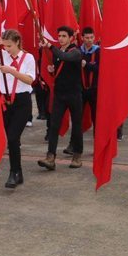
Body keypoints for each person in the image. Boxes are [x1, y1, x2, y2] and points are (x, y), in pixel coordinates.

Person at [0, 29, 36, 188]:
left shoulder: (28, 58)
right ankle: (17, 172)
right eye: (5, 45)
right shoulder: (1, 54)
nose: (7, 49)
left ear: (18, 42)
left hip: (21, 102)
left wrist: (12, 71)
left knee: (13, 137)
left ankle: (14, 172)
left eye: (10, 46)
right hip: (5, 102)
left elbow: (29, 80)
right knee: (13, 140)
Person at [42, 26, 84, 169]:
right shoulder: (57, 52)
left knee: (77, 126)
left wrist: (50, 46)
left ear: (71, 38)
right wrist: (52, 70)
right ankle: (50, 157)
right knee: (54, 125)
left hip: (74, 94)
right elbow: (60, 68)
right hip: (60, 94)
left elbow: (66, 57)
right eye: (59, 35)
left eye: (64, 36)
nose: (60, 38)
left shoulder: (76, 52)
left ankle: (77, 155)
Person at [79, 27, 100, 133]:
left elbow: (101, 69)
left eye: (91, 37)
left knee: (96, 116)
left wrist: (86, 65)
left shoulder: (98, 51)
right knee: (78, 116)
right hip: (81, 89)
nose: (89, 40)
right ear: (82, 38)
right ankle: (76, 140)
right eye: (87, 38)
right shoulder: (78, 51)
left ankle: (97, 139)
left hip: (94, 89)